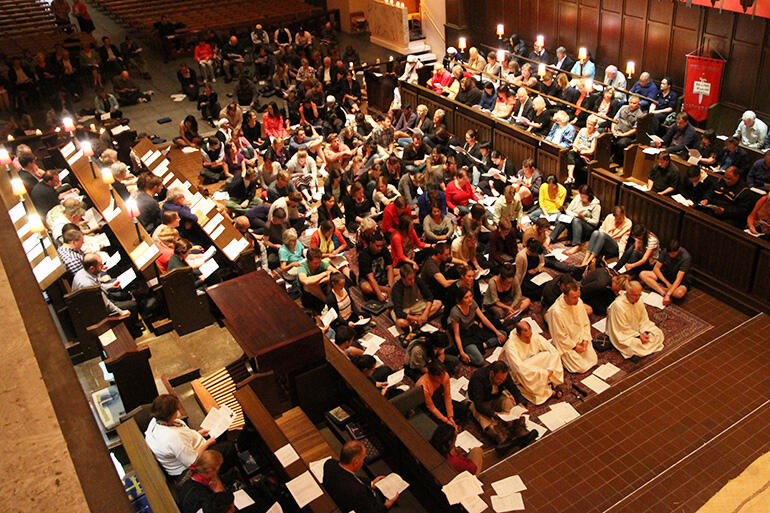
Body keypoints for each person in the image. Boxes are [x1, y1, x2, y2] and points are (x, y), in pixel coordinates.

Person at [467, 361, 536, 450]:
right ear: (492, 373)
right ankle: (501, 439)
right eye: (499, 379)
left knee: (507, 401)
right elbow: (478, 404)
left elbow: (513, 388)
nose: (501, 382)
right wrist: (494, 414)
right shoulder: (478, 377)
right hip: (480, 401)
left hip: (495, 397)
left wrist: (521, 403)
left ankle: (519, 430)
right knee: (482, 416)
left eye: (503, 380)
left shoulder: (503, 376)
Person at [72, 253, 144, 337]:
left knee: (124, 294)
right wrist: (121, 312)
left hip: (98, 300)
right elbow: (105, 304)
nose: (102, 266)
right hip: (97, 311)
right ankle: (134, 331)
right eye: (100, 265)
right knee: (132, 305)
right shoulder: (87, 284)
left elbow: (99, 286)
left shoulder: (83, 271)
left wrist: (111, 285)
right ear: (92, 268)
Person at [502, 320, 565, 404]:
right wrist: (543, 372)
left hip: (534, 364)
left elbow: (553, 351)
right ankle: (547, 391)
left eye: (530, 335)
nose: (529, 339)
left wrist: (550, 369)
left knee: (548, 354)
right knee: (524, 370)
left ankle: (549, 382)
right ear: (517, 335)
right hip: (520, 371)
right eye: (526, 337)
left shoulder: (533, 335)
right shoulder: (510, 346)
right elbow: (519, 368)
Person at [544, 281, 598, 373]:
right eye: (574, 297)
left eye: (578, 296)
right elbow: (560, 336)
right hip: (567, 344)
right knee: (581, 367)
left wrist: (585, 340)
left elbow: (585, 323)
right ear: (565, 297)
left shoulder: (578, 302)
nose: (577, 300)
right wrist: (575, 347)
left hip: (580, 338)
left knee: (593, 359)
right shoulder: (556, 312)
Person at [449, 286, 506, 367]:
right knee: (479, 361)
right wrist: (461, 352)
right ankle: (473, 350)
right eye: (466, 297)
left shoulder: (472, 303)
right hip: (465, 336)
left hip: (474, 330)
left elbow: (483, 318)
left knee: (503, 334)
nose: (470, 299)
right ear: (461, 299)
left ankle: (483, 345)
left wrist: (497, 332)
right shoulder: (455, 312)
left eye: (470, 296)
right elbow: (457, 335)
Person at [607, 281, 665, 359]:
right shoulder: (618, 306)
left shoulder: (639, 300)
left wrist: (644, 332)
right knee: (634, 345)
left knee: (658, 333)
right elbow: (622, 329)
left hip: (638, 330)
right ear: (628, 293)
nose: (637, 298)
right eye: (635, 295)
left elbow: (643, 320)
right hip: (624, 334)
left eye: (639, 295)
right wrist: (638, 336)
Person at [415, 361, 468, 429]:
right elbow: (432, 408)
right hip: (427, 406)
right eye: (439, 377)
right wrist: (446, 420)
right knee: (440, 426)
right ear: (431, 375)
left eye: (442, 375)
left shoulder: (445, 375)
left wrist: (450, 416)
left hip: (439, 399)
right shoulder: (423, 386)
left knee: (463, 408)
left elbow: (447, 397)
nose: (441, 378)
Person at [391, 262, 442, 331]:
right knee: (401, 322)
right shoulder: (397, 288)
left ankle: (415, 323)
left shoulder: (417, 279)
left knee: (438, 303)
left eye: (413, 278)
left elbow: (429, 296)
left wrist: (426, 313)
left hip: (416, 305)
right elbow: (399, 312)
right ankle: (418, 321)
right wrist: (416, 318)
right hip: (404, 309)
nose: (412, 281)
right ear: (403, 278)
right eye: (409, 279)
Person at [640, 240, 691, 306]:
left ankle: (655, 286)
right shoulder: (665, 251)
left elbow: (679, 279)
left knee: (679, 293)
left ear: (678, 250)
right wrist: (667, 283)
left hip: (680, 280)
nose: (671, 255)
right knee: (643, 274)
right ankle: (662, 292)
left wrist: (669, 294)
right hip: (666, 274)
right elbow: (656, 268)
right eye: (670, 253)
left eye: (673, 254)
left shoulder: (686, 257)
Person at [550, 184, 601, 249]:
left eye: (584, 197)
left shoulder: (596, 205)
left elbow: (595, 222)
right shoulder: (577, 198)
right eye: (581, 197)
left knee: (576, 221)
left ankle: (576, 244)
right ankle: (551, 238)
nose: (582, 199)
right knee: (564, 218)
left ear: (589, 196)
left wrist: (584, 218)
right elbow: (568, 210)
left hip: (587, 226)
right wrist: (573, 215)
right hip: (574, 219)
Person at [483, 262, 530, 329]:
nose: (509, 284)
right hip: (495, 304)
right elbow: (495, 301)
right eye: (507, 282)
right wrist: (508, 308)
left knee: (527, 301)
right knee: (500, 313)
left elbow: (518, 295)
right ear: (502, 279)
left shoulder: (514, 279)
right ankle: (511, 316)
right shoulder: (493, 282)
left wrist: (512, 306)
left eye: (511, 282)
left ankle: (513, 314)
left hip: (508, 300)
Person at [358, 231, 394, 301]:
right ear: (371, 243)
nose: (380, 248)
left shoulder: (384, 250)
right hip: (368, 280)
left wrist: (390, 285)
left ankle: (388, 289)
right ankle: (385, 289)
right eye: (377, 246)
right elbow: (370, 278)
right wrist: (379, 294)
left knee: (401, 272)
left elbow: (390, 267)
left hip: (382, 275)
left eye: (381, 246)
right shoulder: (364, 255)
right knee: (366, 287)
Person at [567, 114, 600, 184]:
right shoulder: (582, 130)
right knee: (570, 154)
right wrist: (576, 148)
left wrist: (582, 152)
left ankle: (571, 178)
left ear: (595, 126)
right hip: (577, 152)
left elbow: (592, 150)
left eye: (591, 125)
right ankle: (571, 177)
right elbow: (575, 142)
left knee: (573, 158)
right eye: (588, 124)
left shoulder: (596, 135)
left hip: (585, 157)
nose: (589, 126)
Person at [611, 95, 644, 164]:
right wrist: (613, 130)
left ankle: (618, 162)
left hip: (627, 135)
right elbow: (614, 120)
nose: (631, 105)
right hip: (616, 131)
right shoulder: (623, 108)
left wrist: (622, 134)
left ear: (638, 104)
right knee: (604, 137)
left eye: (634, 103)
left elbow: (635, 130)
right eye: (630, 102)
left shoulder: (640, 115)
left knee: (621, 143)